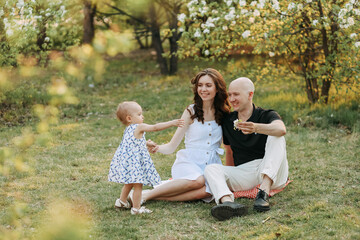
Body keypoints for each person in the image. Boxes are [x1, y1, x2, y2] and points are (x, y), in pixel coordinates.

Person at [135, 68, 231, 203]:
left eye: (208, 85)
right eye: (200, 85)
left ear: (217, 89)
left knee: (205, 192)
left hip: (212, 164)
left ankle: (148, 195)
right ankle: (145, 196)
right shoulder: (191, 111)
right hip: (189, 162)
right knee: (199, 181)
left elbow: (229, 145)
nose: (203, 89)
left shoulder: (224, 113)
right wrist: (157, 148)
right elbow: (172, 146)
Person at [204, 77, 289, 221]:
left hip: (273, 171)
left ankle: (263, 192)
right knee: (211, 169)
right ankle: (229, 204)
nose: (232, 99)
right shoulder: (228, 121)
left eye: (236, 94)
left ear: (250, 95)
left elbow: (281, 129)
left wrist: (256, 127)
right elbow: (229, 151)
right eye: (230, 95)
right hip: (247, 172)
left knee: (277, 136)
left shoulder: (266, 115)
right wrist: (230, 175)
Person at [108, 101, 184, 215]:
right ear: (129, 118)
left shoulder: (128, 129)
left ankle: (122, 201)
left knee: (129, 182)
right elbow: (155, 127)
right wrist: (171, 123)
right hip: (135, 163)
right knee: (138, 184)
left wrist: (147, 144)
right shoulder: (139, 126)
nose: (142, 116)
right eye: (139, 114)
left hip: (128, 162)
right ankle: (136, 209)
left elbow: (134, 143)